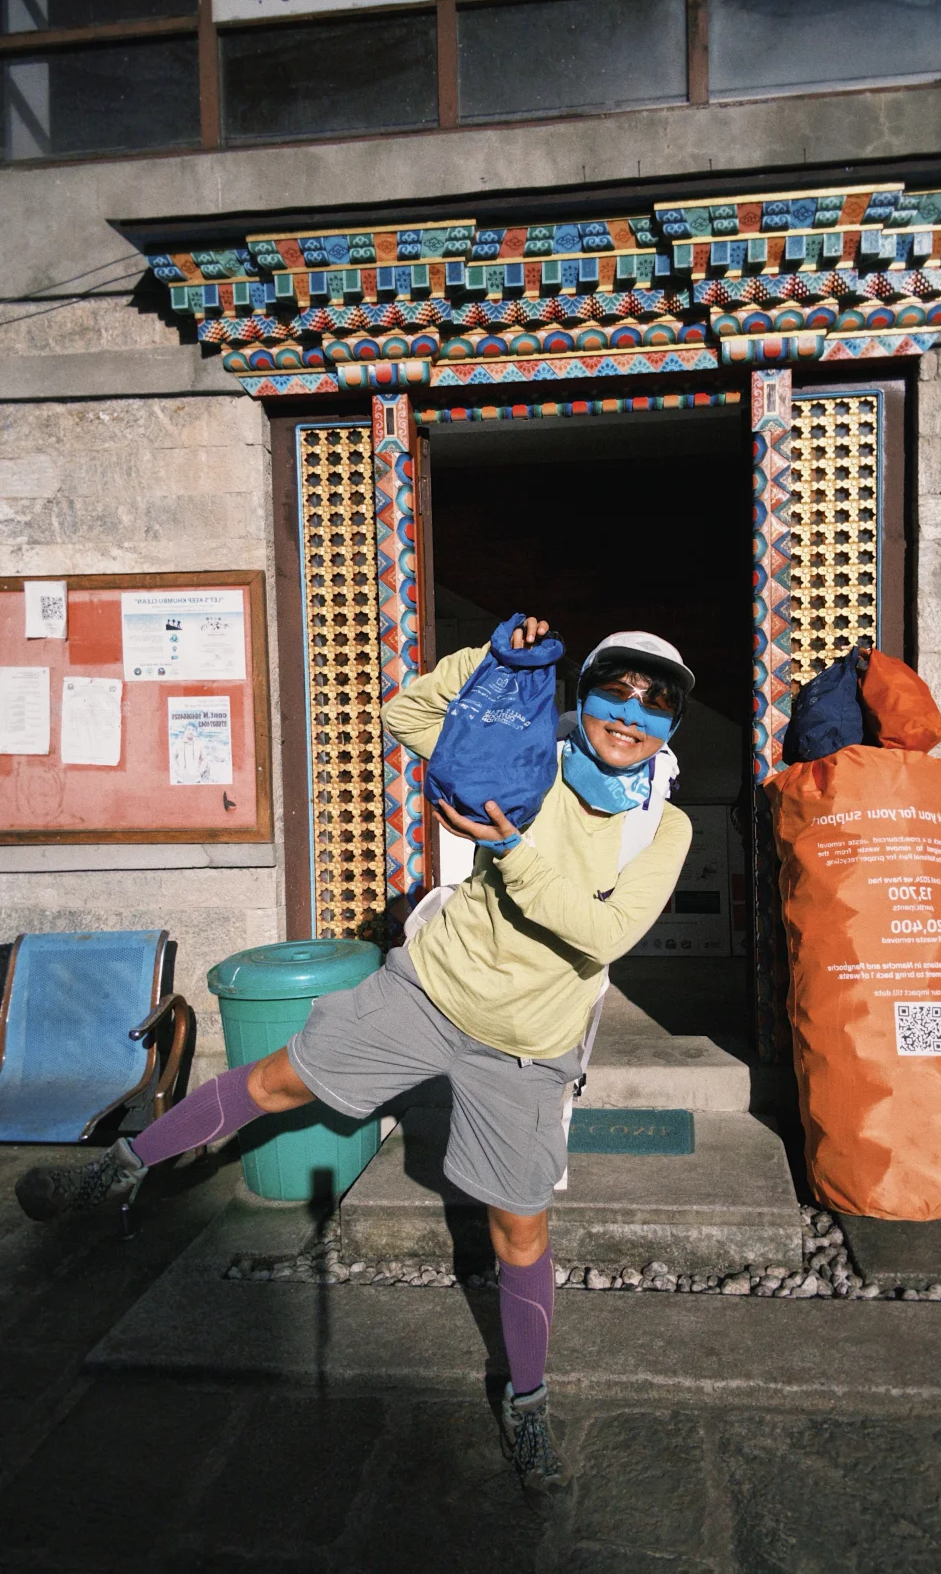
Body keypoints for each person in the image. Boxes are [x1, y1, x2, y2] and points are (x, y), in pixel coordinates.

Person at [15, 620, 694, 1493]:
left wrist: (512, 852)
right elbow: (405, 712)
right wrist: (492, 666)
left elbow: (603, 932)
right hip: (429, 988)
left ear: (673, 726)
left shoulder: (661, 828)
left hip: (527, 1044)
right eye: (617, 690)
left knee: (519, 1229)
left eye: (657, 702)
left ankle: (528, 1406)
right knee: (278, 1076)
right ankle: (121, 1167)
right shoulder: (530, 751)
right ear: (584, 691)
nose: (630, 715)